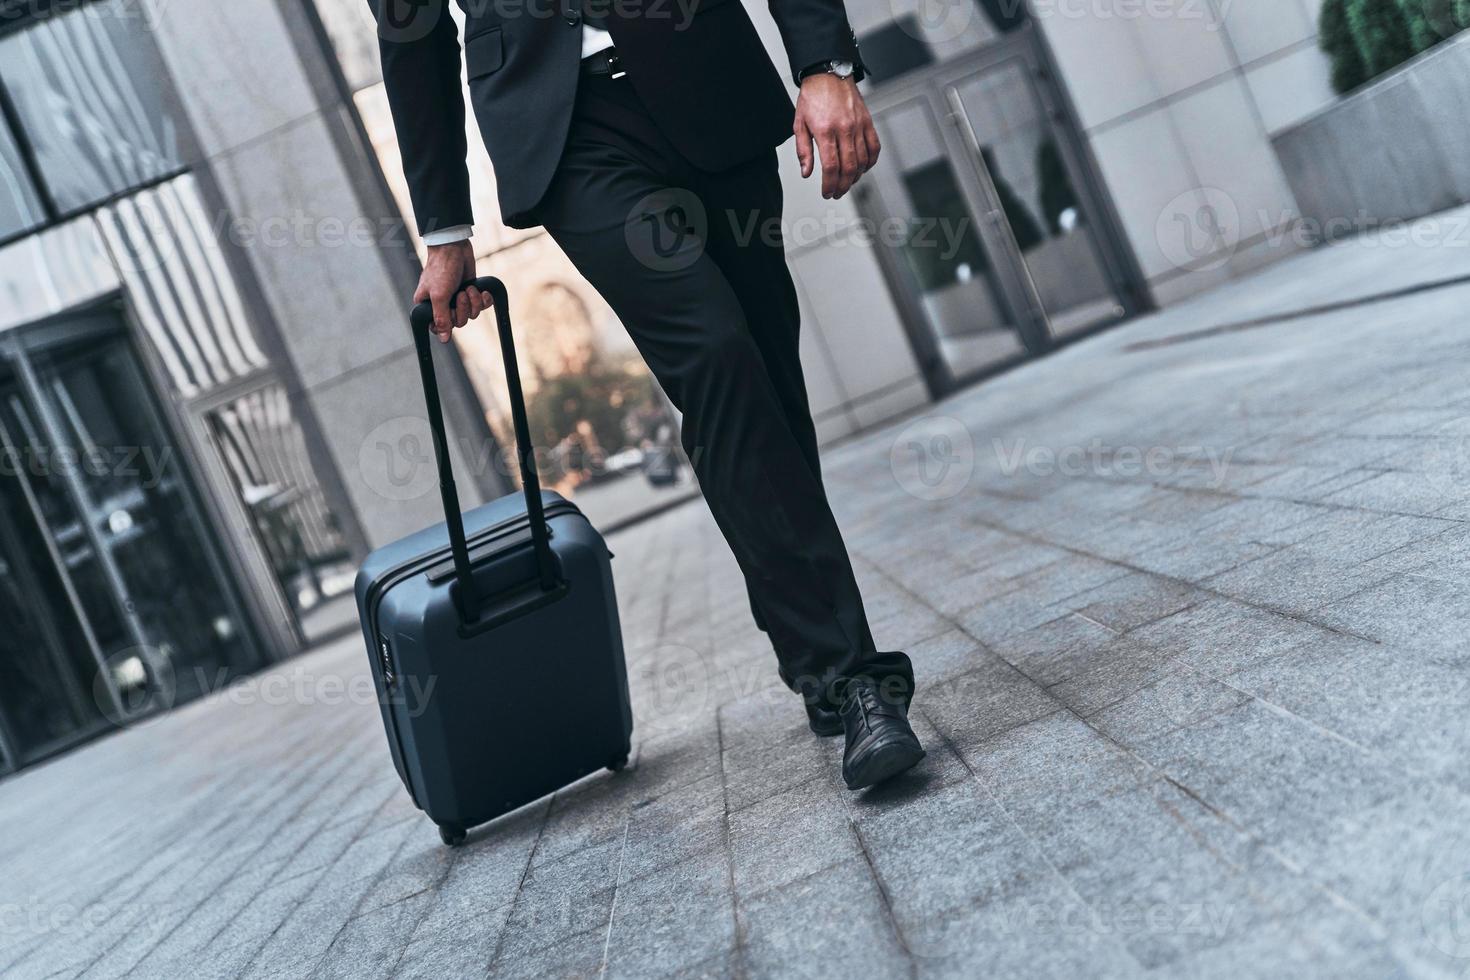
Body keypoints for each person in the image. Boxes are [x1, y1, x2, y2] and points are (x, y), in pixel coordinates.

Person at [366, 0, 923, 789]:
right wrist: (444, 231)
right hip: (565, 133)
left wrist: (823, 66)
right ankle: (851, 677)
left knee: (765, 379)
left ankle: (805, 634)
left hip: (704, 72)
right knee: (716, 357)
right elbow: (410, 32)